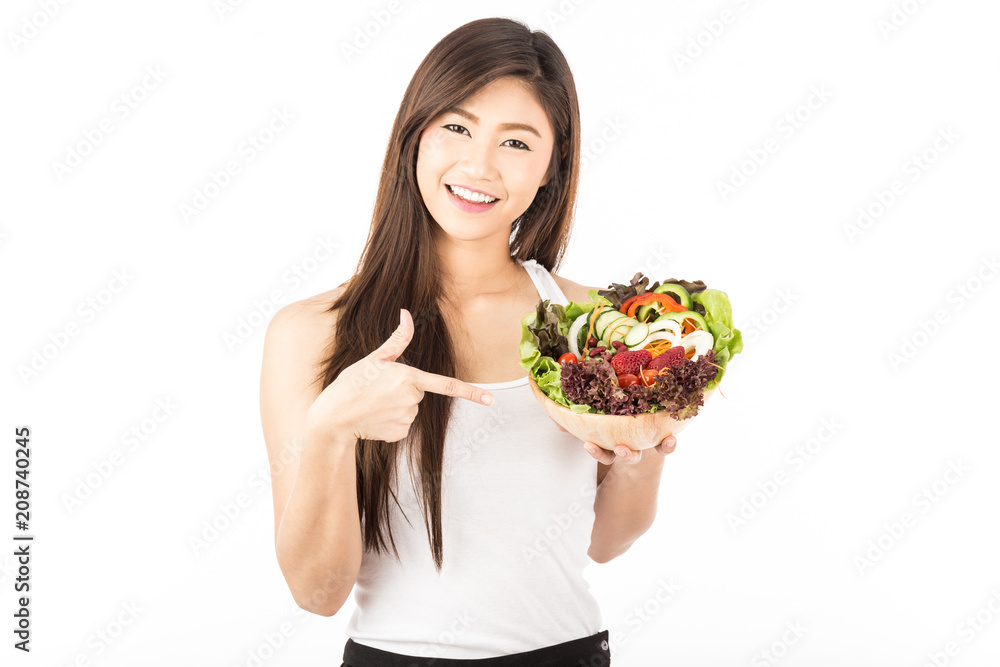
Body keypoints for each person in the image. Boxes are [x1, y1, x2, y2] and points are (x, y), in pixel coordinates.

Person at [259, 17, 678, 666]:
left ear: (551, 168)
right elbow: (316, 592)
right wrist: (331, 431)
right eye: (456, 127)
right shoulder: (312, 331)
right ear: (415, 136)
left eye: (516, 141)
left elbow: (607, 541)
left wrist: (643, 445)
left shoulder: (593, 320)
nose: (478, 165)